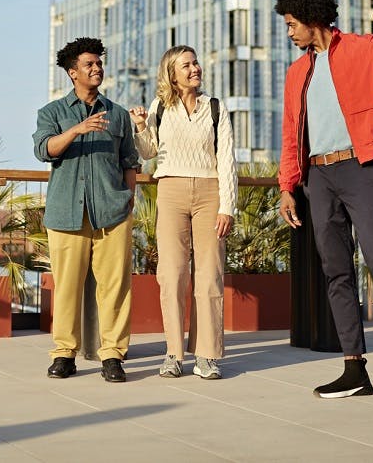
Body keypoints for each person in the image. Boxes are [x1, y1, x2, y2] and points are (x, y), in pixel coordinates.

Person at [274, 0, 373, 411]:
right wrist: (288, 186)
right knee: (337, 270)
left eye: (292, 24)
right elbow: (292, 135)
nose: (289, 32)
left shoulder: (365, 48)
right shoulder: (296, 73)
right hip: (317, 177)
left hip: (360, 168)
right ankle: (354, 368)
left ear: (311, 18)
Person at [34, 37, 141, 383]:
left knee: (115, 286)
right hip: (66, 213)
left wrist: (128, 200)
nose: (97, 69)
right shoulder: (52, 113)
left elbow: (129, 162)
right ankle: (64, 353)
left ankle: (113, 355)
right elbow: (44, 150)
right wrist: (77, 130)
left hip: (113, 213)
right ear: (72, 72)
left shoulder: (119, 115)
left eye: (98, 63)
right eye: (89, 65)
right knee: (67, 287)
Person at [128, 46, 236, 380]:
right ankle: (173, 353)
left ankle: (206, 355)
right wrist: (141, 126)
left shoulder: (215, 107)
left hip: (209, 192)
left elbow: (227, 160)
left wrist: (227, 206)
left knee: (210, 275)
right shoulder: (161, 106)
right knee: (172, 274)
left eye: (195, 62)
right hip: (171, 191)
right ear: (172, 74)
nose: (194, 69)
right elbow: (148, 153)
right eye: (186, 65)